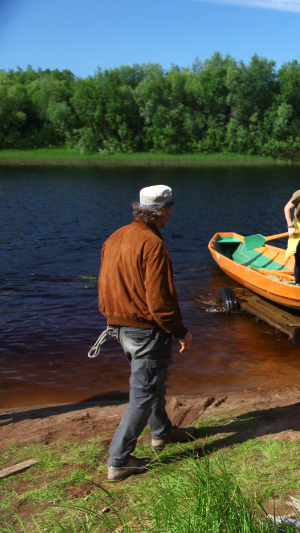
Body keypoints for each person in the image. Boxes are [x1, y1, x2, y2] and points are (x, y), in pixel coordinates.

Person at [97, 185, 196, 482]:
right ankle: (119, 461)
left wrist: (112, 319)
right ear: (163, 210)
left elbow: (104, 287)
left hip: (118, 327)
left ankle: (161, 432)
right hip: (145, 331)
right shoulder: (152, 244)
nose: (171, 213)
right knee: (143, 394)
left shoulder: (115, 237)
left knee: (152, 382)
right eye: (171, 208)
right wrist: (181, 332)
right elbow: (160, 301)